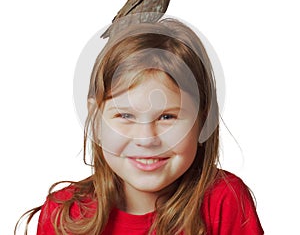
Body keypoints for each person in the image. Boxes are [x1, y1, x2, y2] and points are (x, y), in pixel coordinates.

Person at [16, 17, 264, 235]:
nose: (146, 139)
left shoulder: (224, 201)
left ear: (203, 120)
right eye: (125, 115)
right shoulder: (63, 215)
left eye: (167, 117)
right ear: (96, 118)